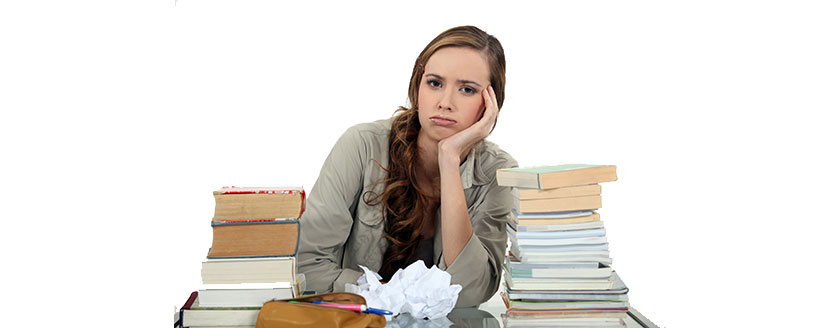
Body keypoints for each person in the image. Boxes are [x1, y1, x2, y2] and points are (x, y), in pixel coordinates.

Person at [297, 25, 517, 307]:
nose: (445, 103)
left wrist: (449, 159)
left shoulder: (498, 174)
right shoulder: (361, 146)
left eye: (467, 89)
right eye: (435, 83)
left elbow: (471, 292)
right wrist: (392, 296)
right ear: (417, 86)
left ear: (490, 103)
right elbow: (306, 266)